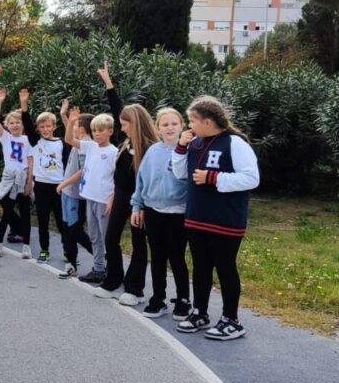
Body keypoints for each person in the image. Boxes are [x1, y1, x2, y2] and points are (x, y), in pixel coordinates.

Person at [172, 95, 260, 340]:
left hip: (225, 220)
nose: (190, 126)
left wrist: (214, 178)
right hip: (197, 217)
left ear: (208, 122)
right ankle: (199, 312)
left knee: (225, 268)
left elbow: (252, 178)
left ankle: (231, 320)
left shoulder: (234, 143)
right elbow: (181, 174)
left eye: (193, 121)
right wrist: (180, 147)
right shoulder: (195, 143)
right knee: (200, 268)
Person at [91, 63, 153, 305]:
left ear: (135, 123)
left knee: (139, 242)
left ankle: (134, 288)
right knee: (111, 238)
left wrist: (142, 206)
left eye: (125, 123)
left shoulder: (149, 147)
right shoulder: (124, 141)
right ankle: (113, 280)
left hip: (141, 199)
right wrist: (108, 84)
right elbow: (118, 108)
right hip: (120, 195)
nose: (121, 126)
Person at [130, 107, 191, 319]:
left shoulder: (189, 150)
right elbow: (141, 179)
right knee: (157, 256)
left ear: (182, 125)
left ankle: (183, 300)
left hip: (178, 211)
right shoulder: (153, 151)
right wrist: (137, 205)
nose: (170, 128)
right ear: (158, 128)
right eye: (165, 124)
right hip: (154, 210)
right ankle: (158, 298)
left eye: (174, 123)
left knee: (176, 257)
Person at [18, 89, 68, 261]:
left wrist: (64, 113)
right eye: (42, 126)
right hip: (41, 186)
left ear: (54, 127)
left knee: (62, 222)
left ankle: (67, 251)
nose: (45, 129)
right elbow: (27, 122)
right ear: (38, 129)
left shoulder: (62, 143)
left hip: (59, 187)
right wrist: (24, 104)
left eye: (49, 126)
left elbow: (68, 162)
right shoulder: (36, 140)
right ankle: (44, 250)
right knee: (43, 221)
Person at [73, 114, 118, 284]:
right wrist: (70, 122)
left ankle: (113, 270)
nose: (97, 134)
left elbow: (116, 178)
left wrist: (111, 199)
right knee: (94, 235)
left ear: (110, 131)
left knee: (107, 237)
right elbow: (71, 139)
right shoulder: (91, 146)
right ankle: (99, 269)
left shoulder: (113, 152)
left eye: (100, 130)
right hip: (89, 197)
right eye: (94, 131)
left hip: (103, 200)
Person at [0, 89, 33, 259]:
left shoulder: (28, 140)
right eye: (12, 122)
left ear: (23, 125)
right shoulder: (6, 137)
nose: (15, 125)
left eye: (18, 122)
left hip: (23, 178)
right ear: (8, 125)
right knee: (6, 212)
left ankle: (26, 246)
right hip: (9, 178)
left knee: (25, 213)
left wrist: (29, 182)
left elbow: (30, 162)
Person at [56, 105, 95, 276]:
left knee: (73, 230)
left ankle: (73, 264)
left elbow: (82, 171)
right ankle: (99, 255)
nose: (72, 127)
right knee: (70, 229)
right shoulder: (80, 141)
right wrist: (64, 115)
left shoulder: (86, 145)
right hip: (68, 193)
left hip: (75, 195)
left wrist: (64, 183)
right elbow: (68, 134)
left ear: (81, 128)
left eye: (75, 124)